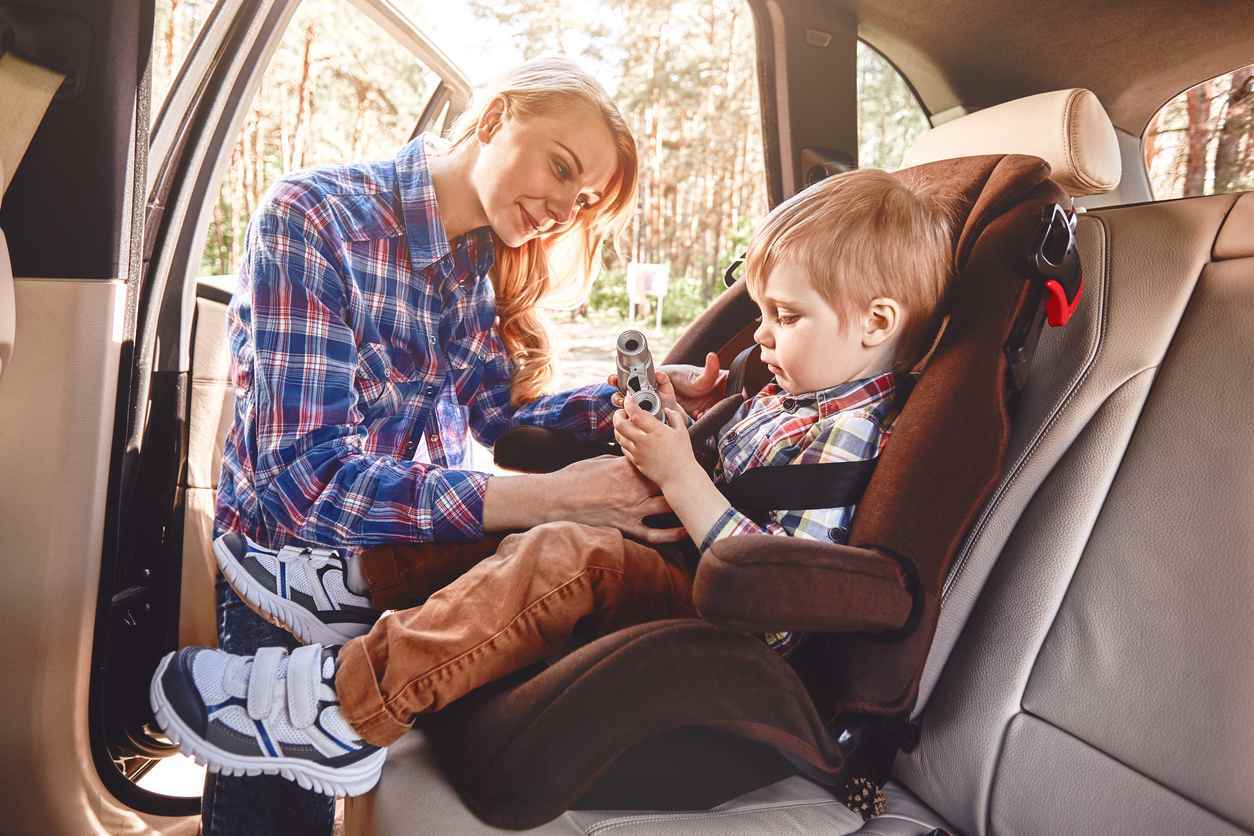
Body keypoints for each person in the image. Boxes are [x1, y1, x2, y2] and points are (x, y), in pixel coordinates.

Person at [151, 167, 956, 800]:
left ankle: (348, 710)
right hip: (689, 563)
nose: (764, 336)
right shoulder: (794, 396)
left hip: (738, 617)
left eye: (786, 316)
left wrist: (680, 474)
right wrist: (664, 447)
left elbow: (783, 590)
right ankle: (357, 584)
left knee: (568, 551)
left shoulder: (848, 432)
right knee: (538, 508)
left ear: (877, 324)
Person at [189, 57, 726, 835]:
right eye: (561, 168)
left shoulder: (475, 261)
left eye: (580, 202)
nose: (560, 210)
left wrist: (635, 396)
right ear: (496, 115)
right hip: (285, 574)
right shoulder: (315, 217)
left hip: (395, 570)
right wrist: (558, 499)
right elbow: (303, 484)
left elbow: (500, 421)